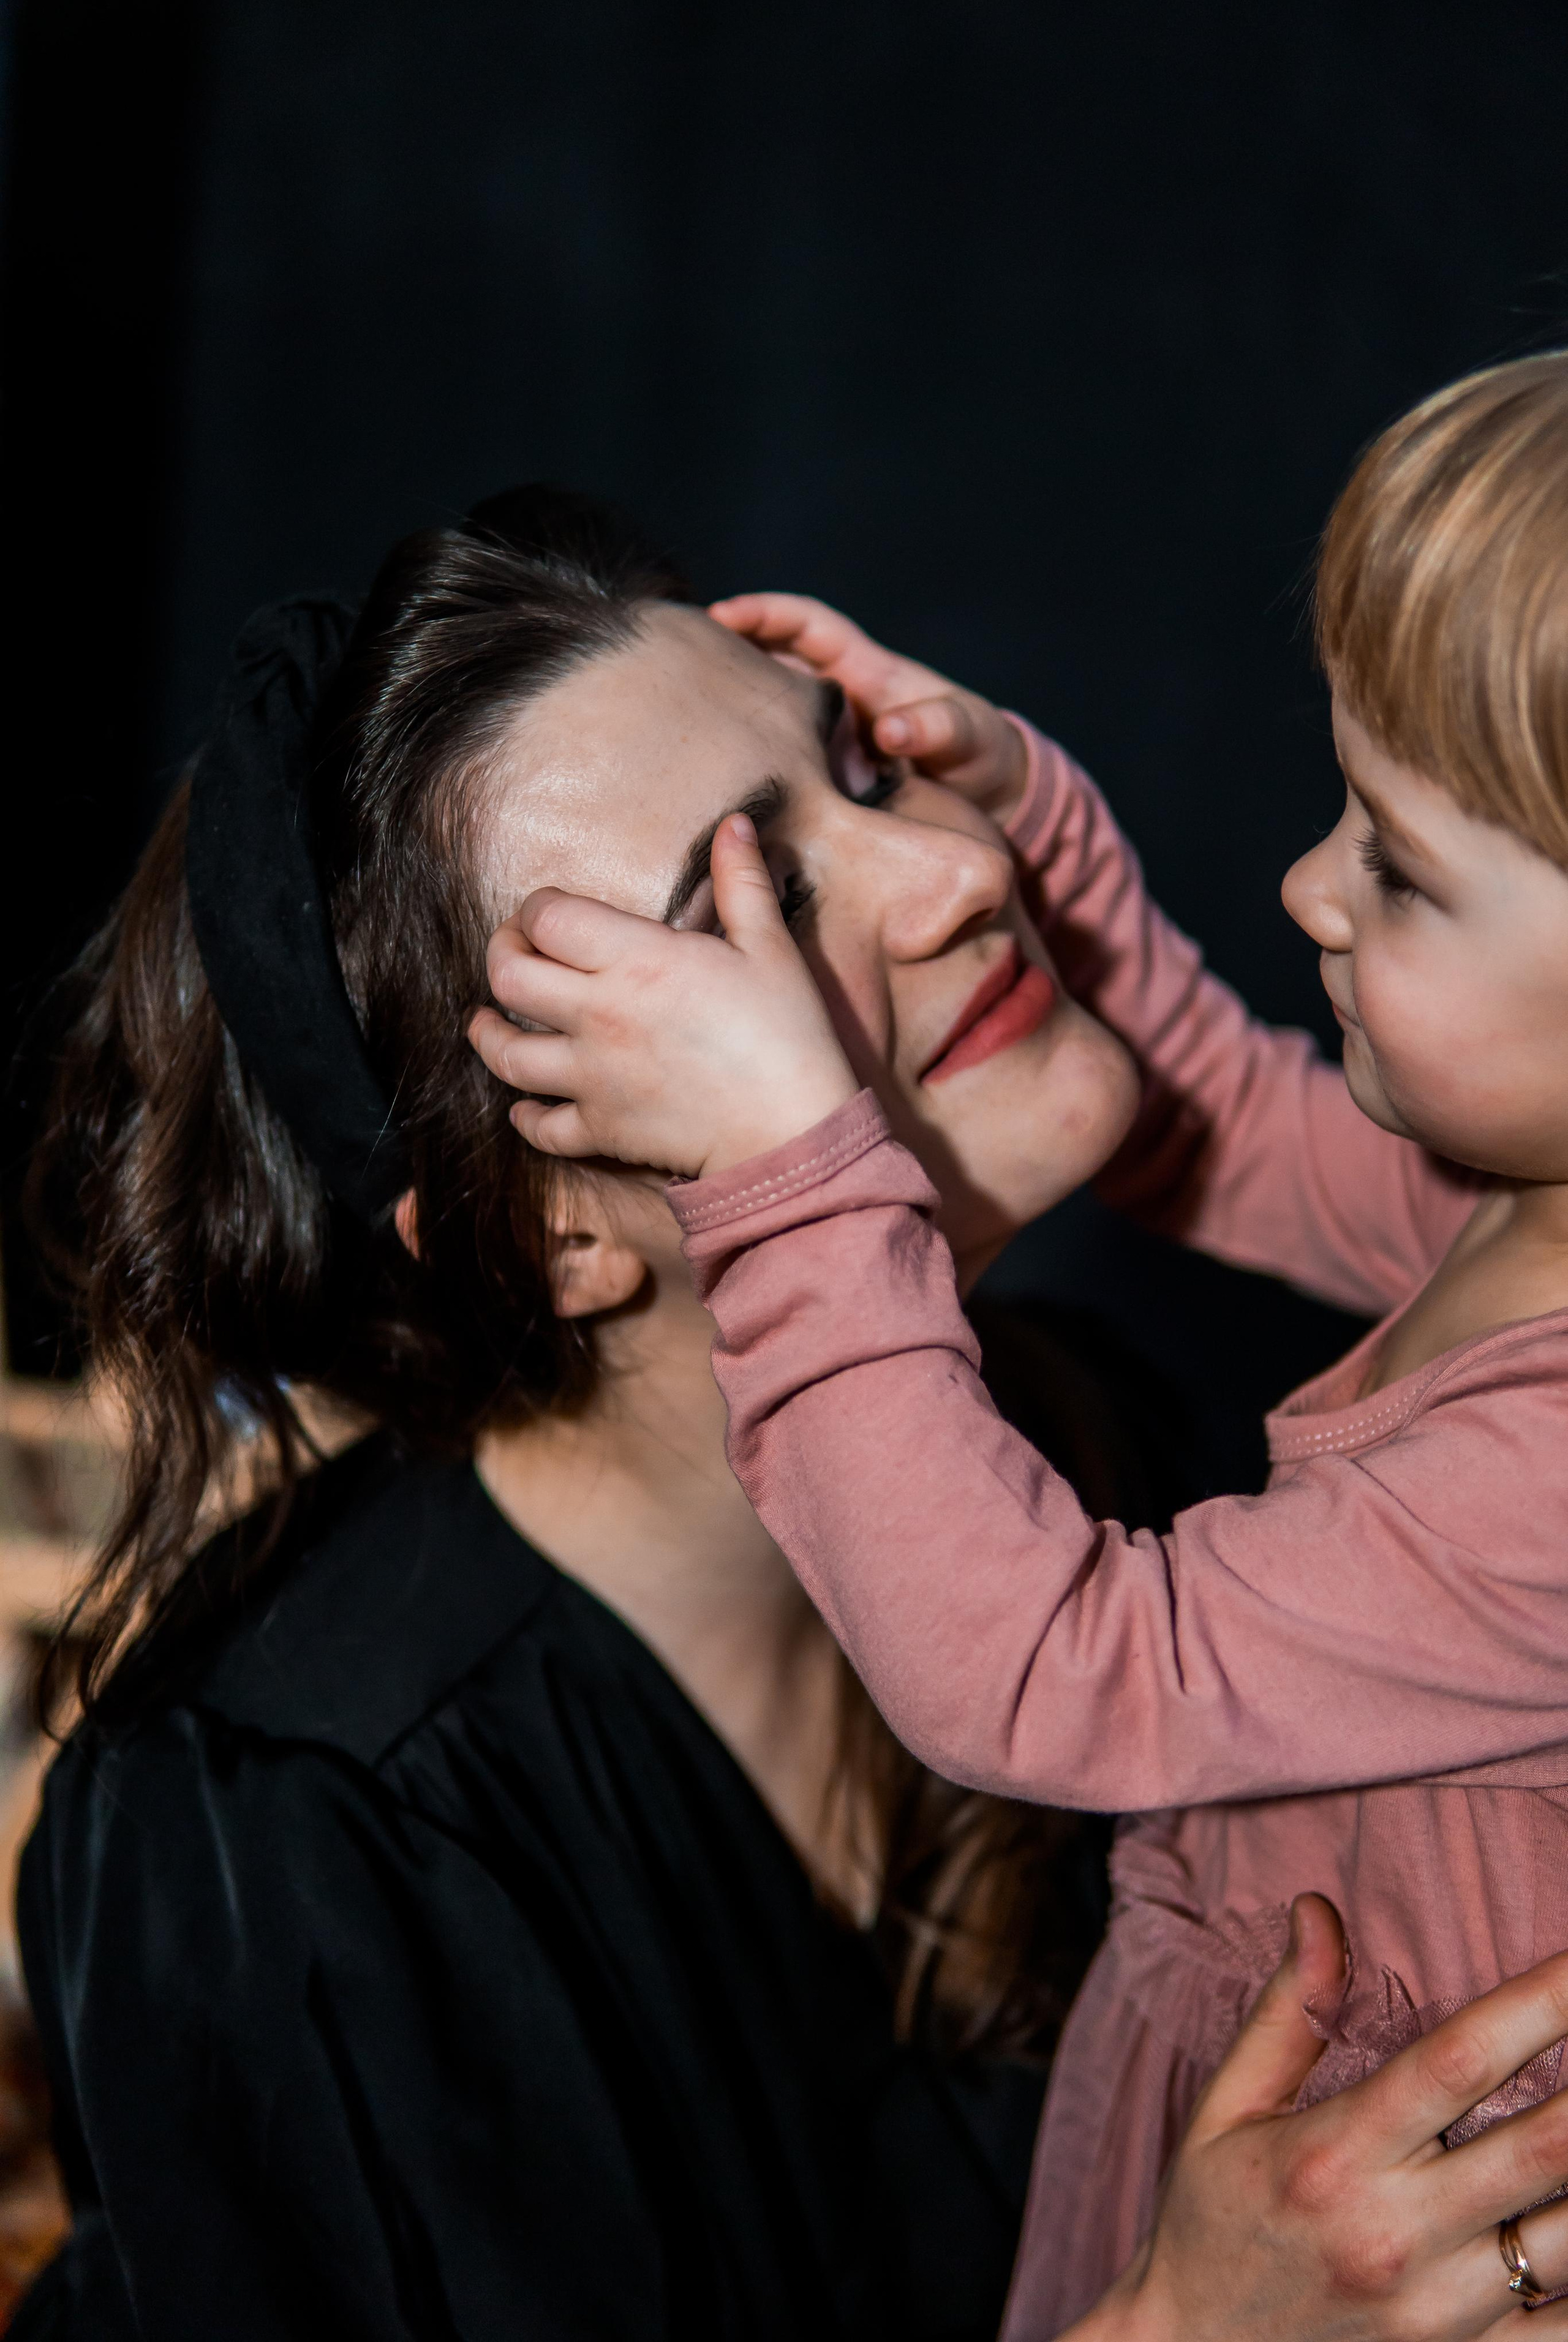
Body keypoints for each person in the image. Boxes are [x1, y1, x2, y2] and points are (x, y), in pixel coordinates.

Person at [14, 483, 1568, 2342]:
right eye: (754, 917)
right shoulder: (281, 1834)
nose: (967, 870)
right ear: (555, 1227)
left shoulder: (1113, 1469)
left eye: (871, 772)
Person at [469, 352, 1568, 2334]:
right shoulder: (1530, 1206)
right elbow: (1213, 1128)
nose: (1308, 885)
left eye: (1401, 870)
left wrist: (787, 1170)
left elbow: (1057, 1668)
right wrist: (1036, 842)